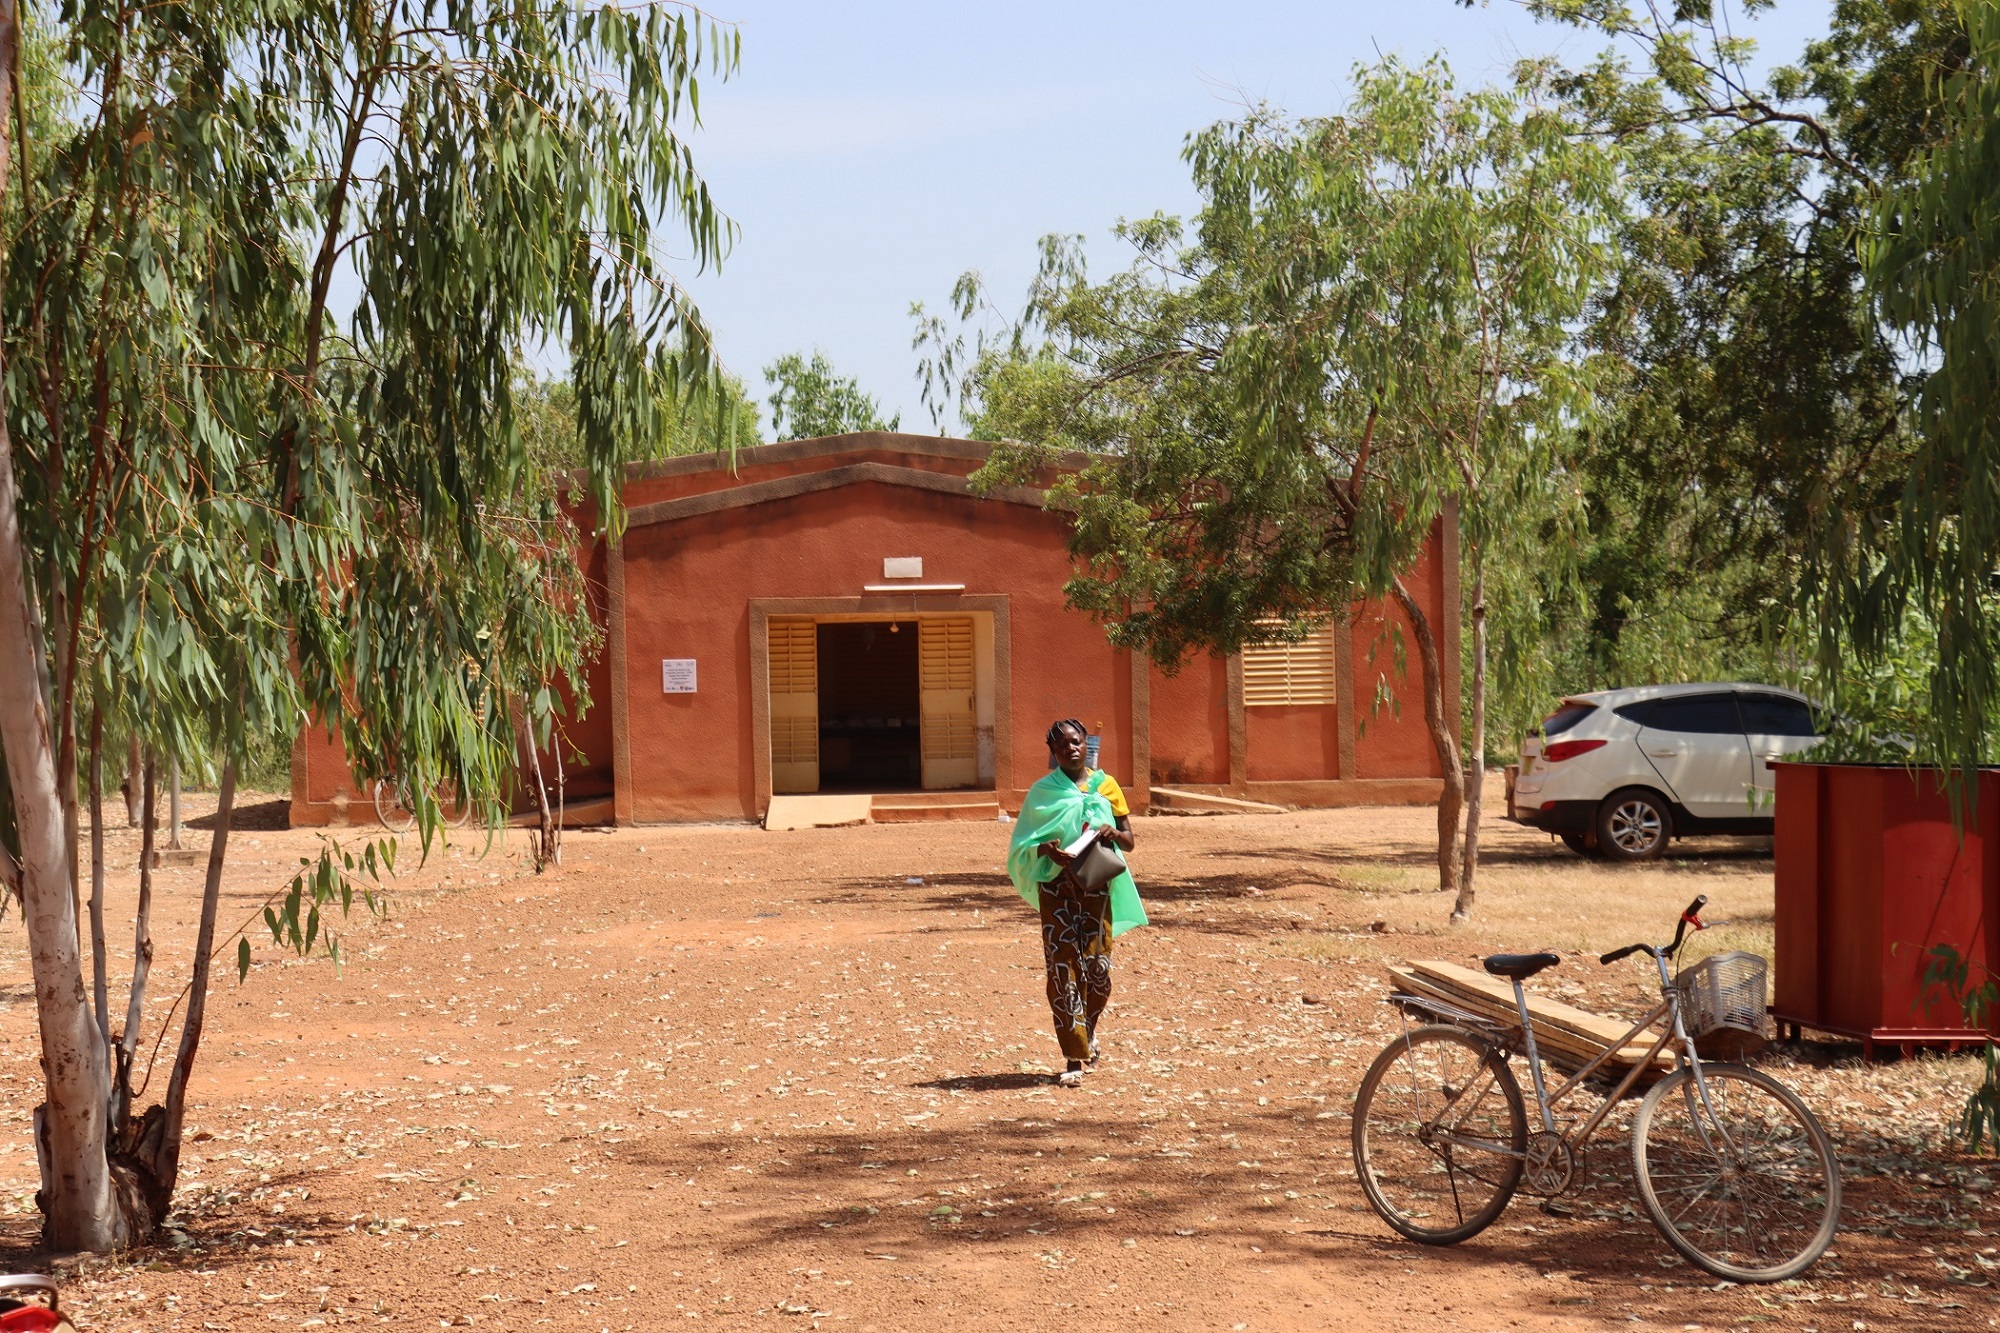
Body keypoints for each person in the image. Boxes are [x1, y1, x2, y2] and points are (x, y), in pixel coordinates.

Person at [1006, 719, 1146, 1086]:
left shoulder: (1107, 786)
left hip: (1096, 889)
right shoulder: (1042, 792)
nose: (1071, 748)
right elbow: (1022, 845)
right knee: (1063, 969)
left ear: (1087, 745)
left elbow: (1129, 840)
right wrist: (1044, 849)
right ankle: (1073, 1055)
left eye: (1077, 742)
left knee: (1098, 971)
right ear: (1052, 752)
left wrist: (1113, 832)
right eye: (1063, 744)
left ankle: (1090, 1032)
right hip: (1056, 889)